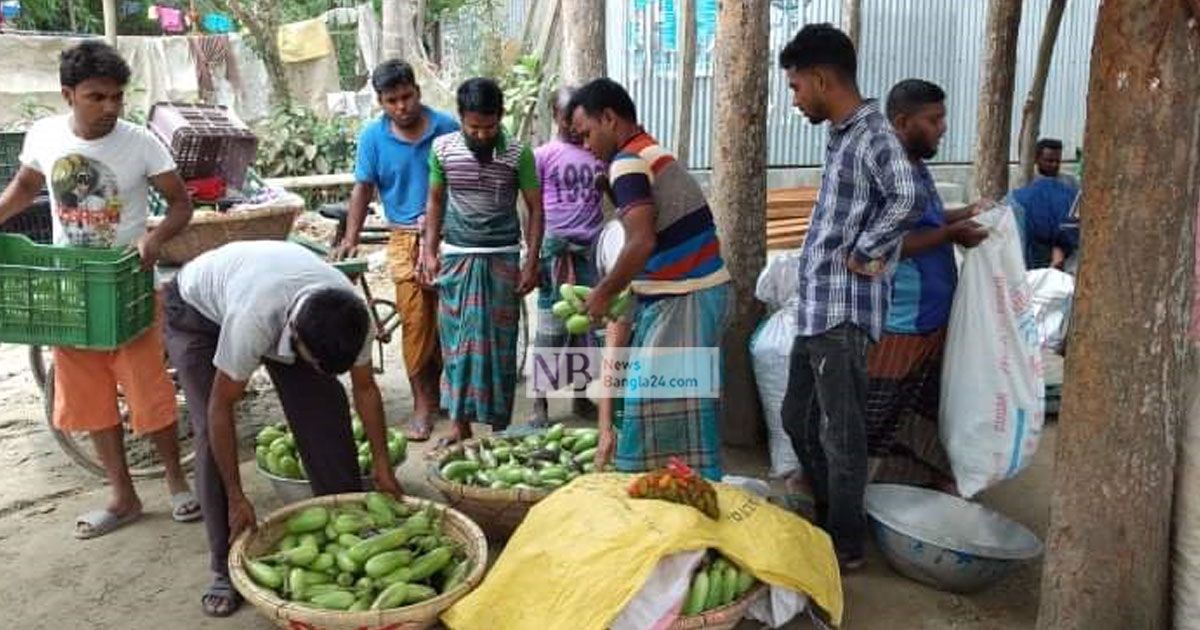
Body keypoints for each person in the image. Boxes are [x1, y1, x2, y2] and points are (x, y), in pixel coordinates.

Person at [0, 41, 198, 539]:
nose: (110, 107)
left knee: (149, 392)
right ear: (69, 95)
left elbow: (181, 204)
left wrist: (154, 238)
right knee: (89, 399)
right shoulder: (44, 136)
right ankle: (123, 497)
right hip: (73, 290)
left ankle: (177, 483)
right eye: (97, 97)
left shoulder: (141, 143)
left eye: (117, 97)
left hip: (128, 286)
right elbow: (25, 189)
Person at [163, 240, 403, 617]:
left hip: (280, 292)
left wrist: (383, 467)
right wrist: (237, 495)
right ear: (294, 337)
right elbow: (221, 407)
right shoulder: (253, 319)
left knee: (325, 406)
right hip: (196, 311)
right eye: (317, 362)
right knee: (211, 434)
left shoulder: (352, 317)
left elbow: (365, 389)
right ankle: (224, 564)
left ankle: (347, 522)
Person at [776, 24, 919, 570]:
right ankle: (832, 511)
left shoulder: (873, 134)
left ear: (819, 78)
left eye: (795, 87)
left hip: (844, 311)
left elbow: (905, 200)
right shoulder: (841, 135)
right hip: (816, 309)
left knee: (842, 431)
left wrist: (866, 250)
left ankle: (844, 544)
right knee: (797, 418)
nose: (795, 98)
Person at [567, 78, 732, 482]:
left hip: (688, 295)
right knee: (673, 411)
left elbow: (641, 240)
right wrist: (604, 425)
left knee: (652, 413)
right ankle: (685, 495)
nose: (586, 146)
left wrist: (603, 293)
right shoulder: (647, 152)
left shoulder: (627, 161)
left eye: (587, 134)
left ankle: (680, 505)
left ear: (609, 118)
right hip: (696, 293)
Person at [864, 79, 989, 493]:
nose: (943, 127)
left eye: (942, 118)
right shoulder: (886, 173)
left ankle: (919, 483)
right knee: (877, 415)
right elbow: (885, 246)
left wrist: (965, 213)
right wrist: (952, 237)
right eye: (934, 119)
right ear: (901, 121)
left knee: (927, 410)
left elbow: (930, 220)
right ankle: (851, 498)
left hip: (932, 321)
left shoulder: (917, 165)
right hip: (900, 323)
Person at [333, 60, 460, 442]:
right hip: (403, 238)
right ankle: (423, 403)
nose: (402, 106)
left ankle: (453, 399)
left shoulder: (448, 129)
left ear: (418, 92)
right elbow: (363, 188)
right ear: (381, 102)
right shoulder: (373, 139)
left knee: (450, 323)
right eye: (393, 100)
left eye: (407, 97)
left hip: (450, 235)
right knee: (416, 323)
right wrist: (350, 236)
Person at [421, 78, 544, 444]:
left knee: (500, 347)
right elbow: (435, 202)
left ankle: (499, 429)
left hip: (502, 258)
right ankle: (458, 424)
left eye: (489, 127)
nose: (481, 134)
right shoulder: (442, 149)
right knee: (457, 346)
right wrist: (429, 251)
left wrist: (531, 261)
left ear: (500, 117)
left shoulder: (518, 153)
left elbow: (536, 208)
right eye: (474, 127)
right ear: (461, 119)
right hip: (457, 257)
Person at [529, 86, 606, 426]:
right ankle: (539, 405)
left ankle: (580, 395)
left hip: (589, 251)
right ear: (555, 116)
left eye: (577, 119)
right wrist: (532, 254)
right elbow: (530, 208)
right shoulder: (543, 155)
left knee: (585, 327)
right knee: (551, 327)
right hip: (555, 252)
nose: (573, 127)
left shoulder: (596, 153)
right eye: (565, 117)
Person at [1010, 138, 1080, 269]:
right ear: (1037, 159)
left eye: (1057, 161)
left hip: (1065, 242)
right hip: (1032, 240)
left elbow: (1075, 212)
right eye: (1049, 161)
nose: (1054, 165)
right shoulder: (1025, 181)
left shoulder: (1069, 182)